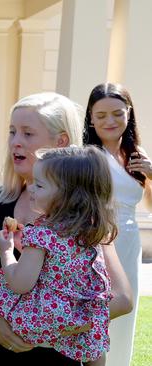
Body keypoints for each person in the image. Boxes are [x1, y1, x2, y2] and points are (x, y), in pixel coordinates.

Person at [0, 92, 133, 364]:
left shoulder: (85, 218)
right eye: (12, 132)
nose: (15, 142)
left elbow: (122, 298)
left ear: (61, 142)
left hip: (60, 352)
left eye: (28, 133)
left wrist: (53, 327)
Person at [83, 82, 152, 366]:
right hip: (94, 241)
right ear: (90, 118)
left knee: (126, 311)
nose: (110, 121)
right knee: (97, 309)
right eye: (101, 116)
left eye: (117, 113)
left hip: (130, 240)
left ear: (129, 113)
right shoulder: (85, 155)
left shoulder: (137, 154)